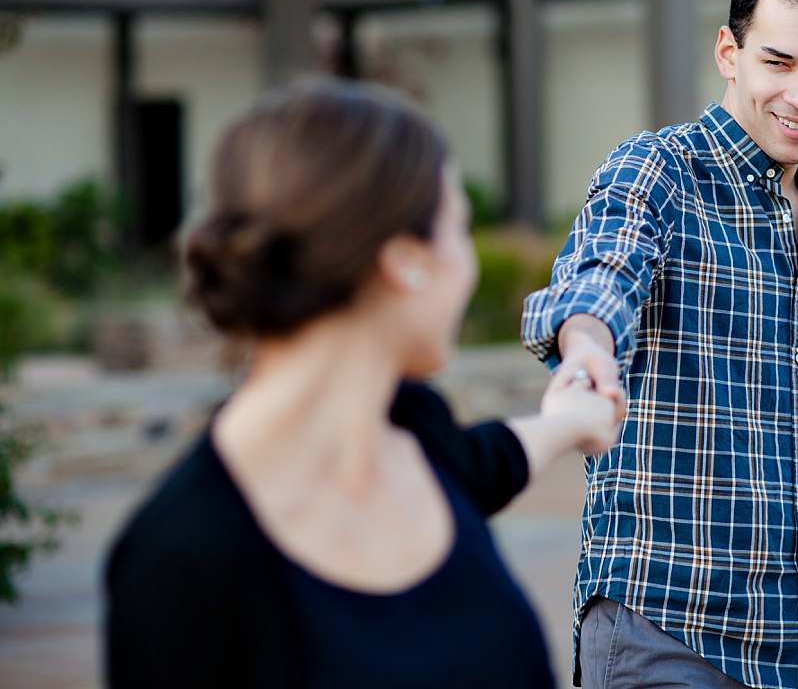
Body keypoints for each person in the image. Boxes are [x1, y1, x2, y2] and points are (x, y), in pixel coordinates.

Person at [105, 80, 625, 688]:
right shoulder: (183, 556)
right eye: (458, 228)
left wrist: (570, 420)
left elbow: (490, 458)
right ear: (405, 258)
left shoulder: (414, 430)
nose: (470, 264)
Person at [522, 0, 798, 689]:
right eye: (778, 63)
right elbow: (598, 278)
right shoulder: (656, 171)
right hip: (673, 638)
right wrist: (587, 347)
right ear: (729, 51)